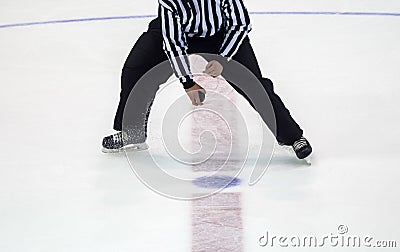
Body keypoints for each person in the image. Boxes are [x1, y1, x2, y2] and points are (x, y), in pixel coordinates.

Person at [102, 0, 312, 159]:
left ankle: (293, 137)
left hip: (221, 34)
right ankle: (133, 132)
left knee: (255, 84)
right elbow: (173, 42)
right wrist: (187, 82)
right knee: (136, 69)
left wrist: (223, 57)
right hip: (180, 32)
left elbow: (240, 23)